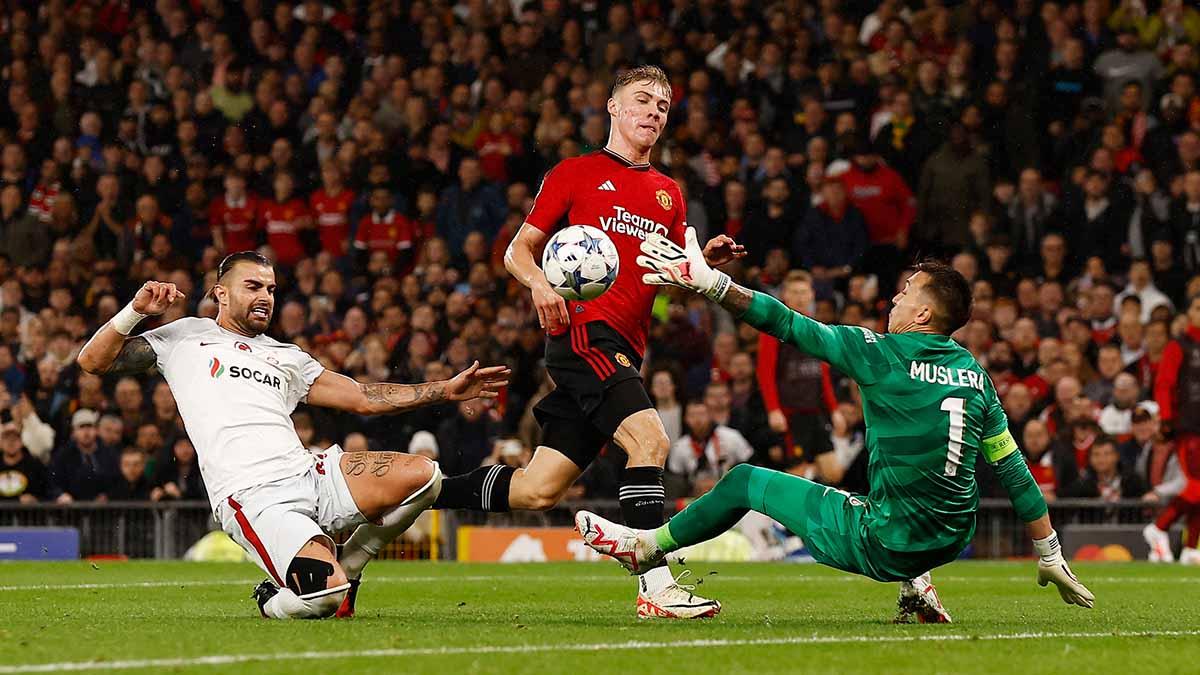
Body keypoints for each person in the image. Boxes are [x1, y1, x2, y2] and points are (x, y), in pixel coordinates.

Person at [578, 246, 1094, 623]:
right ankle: (919, 587)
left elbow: (788, 324)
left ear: (923, 314)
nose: (895, 297)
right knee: (895, 478)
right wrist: (1049, 554)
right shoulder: (978, 377)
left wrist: (713, 283)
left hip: (888, 541)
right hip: (952, 537)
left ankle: (647, 548)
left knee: (742, 481)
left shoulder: (879, 354)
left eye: (906, 292)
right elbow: (1014, 470)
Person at [432, 65, 744, 619]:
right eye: (643, 101)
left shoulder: (669, 194)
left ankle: (410, 499)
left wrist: (698, 266)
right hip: (583, 335)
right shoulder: (574, 173)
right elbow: (517, 252)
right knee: (649, 441)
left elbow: (666, 275)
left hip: (625, 348)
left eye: (664, 106)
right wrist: (540, 285)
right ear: (614, 108)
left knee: (536, 489)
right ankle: (656, 586)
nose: (654, 112)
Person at [76, 251, 509, 619]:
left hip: (310, 473)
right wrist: (135, 312)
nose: (265, 297)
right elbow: (93, 362)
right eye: (252, 287)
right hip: (253, 494)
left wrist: (444, 390)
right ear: (221, 293)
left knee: (424, 476)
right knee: (324, 596)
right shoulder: (186, 336)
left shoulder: (286, 356)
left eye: (270, 289)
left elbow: (363, 397)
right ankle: (273, 603)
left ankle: (352, 562)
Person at [1146, 294, 1200, 565]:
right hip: (1189, 425)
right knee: (1197, 486)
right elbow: (1164, 384)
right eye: (1199, 308)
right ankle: (1159, 528)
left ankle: (1191, 548)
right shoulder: (1178, 346)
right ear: (1189, 314)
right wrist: (1167, 420)